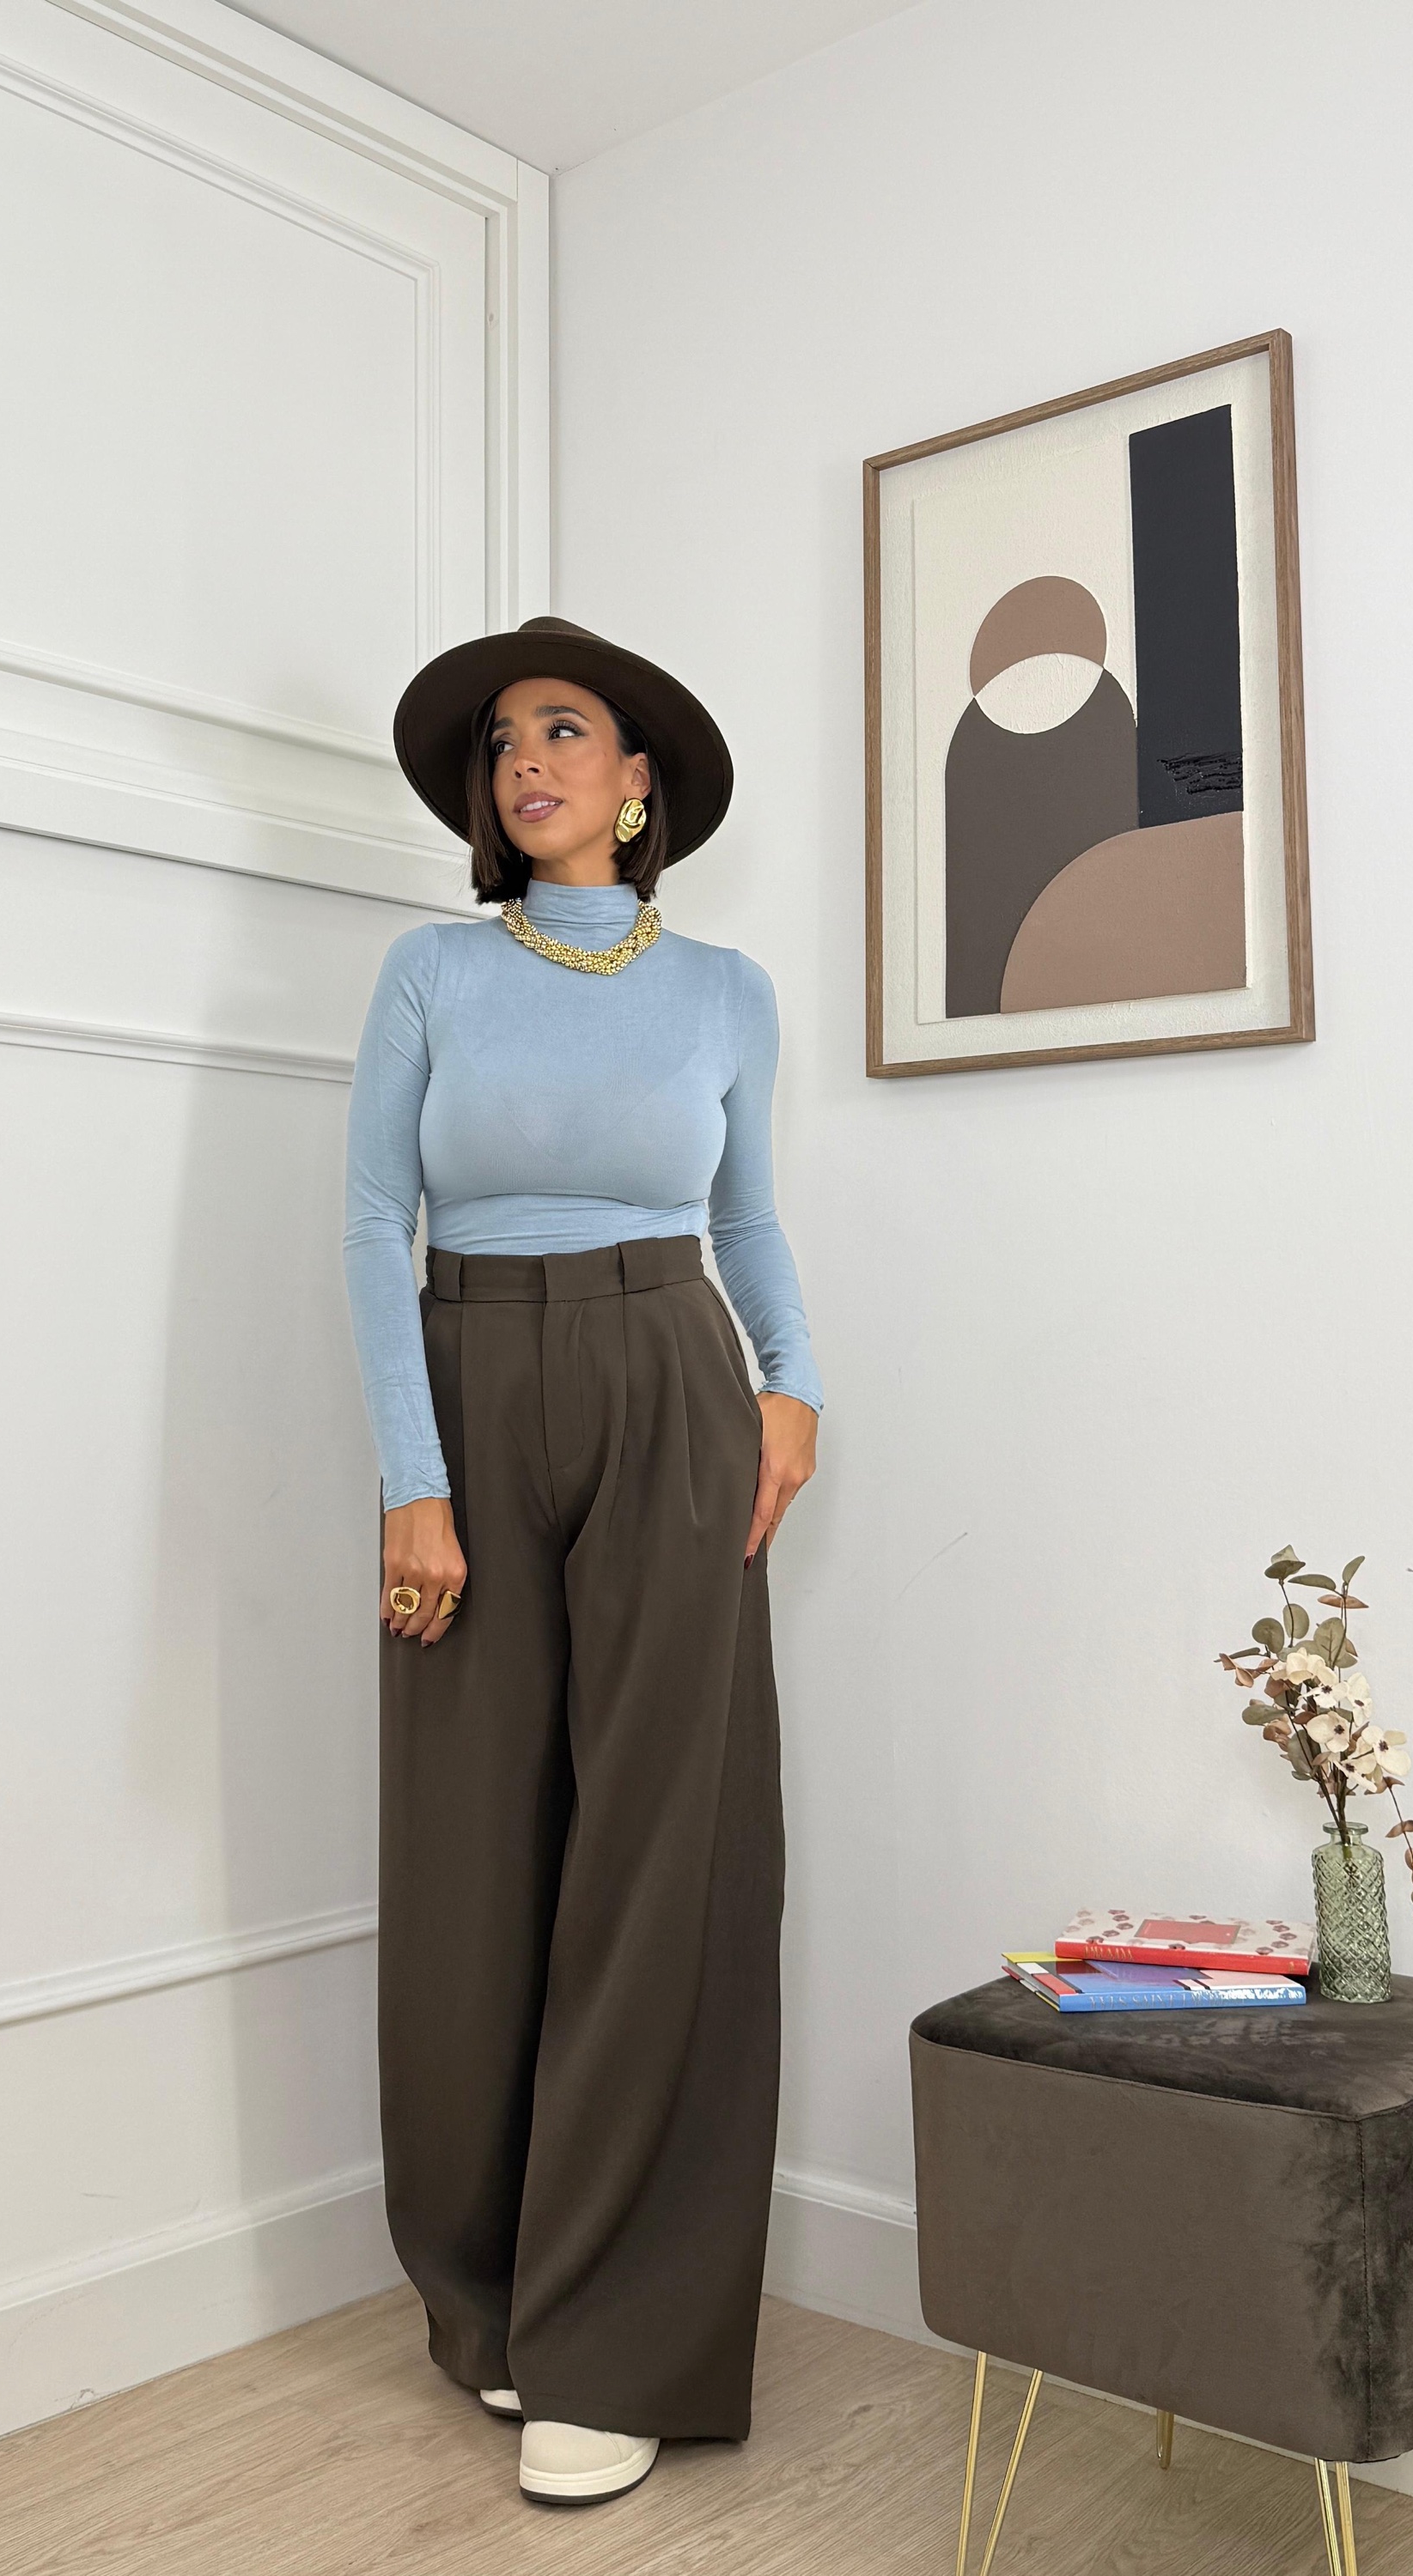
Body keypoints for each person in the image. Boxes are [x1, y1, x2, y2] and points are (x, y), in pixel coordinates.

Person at [341, 615, 823, 2506]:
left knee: (663, 1850)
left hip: (671, 1379)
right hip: (469, 1376)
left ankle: (616, 2341)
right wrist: (413, 1481)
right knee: (471, 1851)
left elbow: (747, 1215)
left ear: (638, 783)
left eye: (564, 729)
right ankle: (491, 2305)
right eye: (500, 742)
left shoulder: (725, 991)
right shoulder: (433, 971)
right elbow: (375, 1221)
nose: (525, 759)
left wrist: (792, 1384)